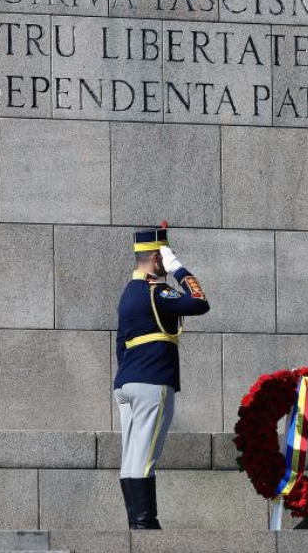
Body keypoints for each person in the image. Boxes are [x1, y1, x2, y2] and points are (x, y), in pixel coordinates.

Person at [114, 225, 210, 529]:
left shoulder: (129, 293)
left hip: (127, 383)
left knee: (131, 458)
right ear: (158, 257)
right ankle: (145, 528)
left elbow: (120, 345)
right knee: (144, 457)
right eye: (165, 258)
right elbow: (199, 302)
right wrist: (179, 269)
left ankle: (135, 525)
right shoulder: (158, 291)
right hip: (152, 382)